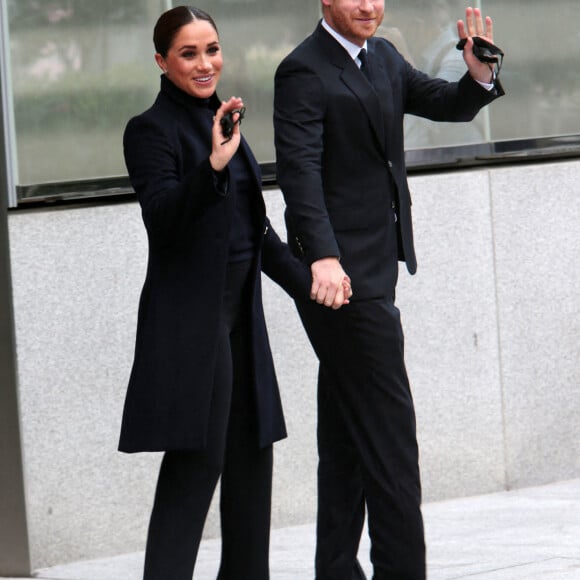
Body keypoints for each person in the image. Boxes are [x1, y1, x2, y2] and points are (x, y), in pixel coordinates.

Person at [274, 2, 504, 579]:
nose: (368, 5)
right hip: (339, 280)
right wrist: (322, 255)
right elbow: (298, 169)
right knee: (392, 437)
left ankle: (336, 569)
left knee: (350, 434)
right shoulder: (302, 69)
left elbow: (443, 103)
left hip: (380, 265)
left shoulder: (383, 57)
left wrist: (478, 77)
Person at [117, 6, 349, 579]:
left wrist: (313, 287)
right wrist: (213, 166)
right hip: (192, 328)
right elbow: (165, 221)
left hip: (242, 318)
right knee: (196, 468)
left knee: (252, 462)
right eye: (189, 54)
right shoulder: (150, 130)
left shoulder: (226, 121)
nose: (205, 63)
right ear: (161, 62)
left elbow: (255, 233)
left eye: (212, 49)